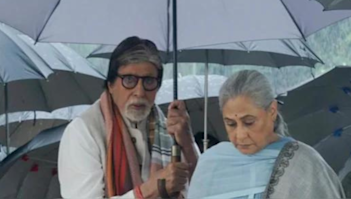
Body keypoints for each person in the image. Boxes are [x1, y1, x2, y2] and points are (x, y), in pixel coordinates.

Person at [58, 36, 199, 198]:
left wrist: (187, 143)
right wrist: (149, 190)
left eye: (149, 81)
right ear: (110, 85)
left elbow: (205, 187)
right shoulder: (84, 131)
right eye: (129, 80)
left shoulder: (170, 130)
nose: (139, 92)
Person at [188, 70, 345, 199]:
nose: (240, 135)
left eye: (249, 122)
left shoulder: (304, 164)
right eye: (231, 124)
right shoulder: (211, 164)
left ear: (272, 111)